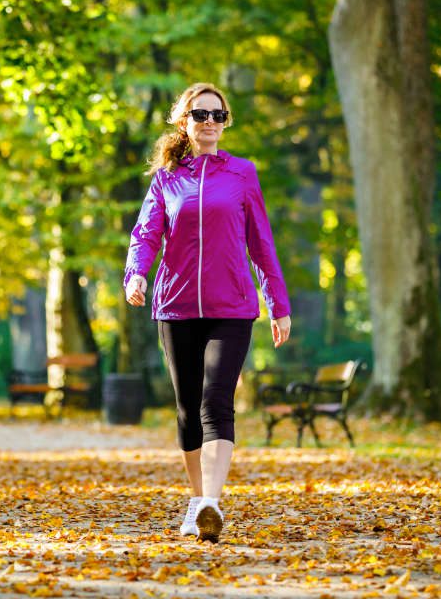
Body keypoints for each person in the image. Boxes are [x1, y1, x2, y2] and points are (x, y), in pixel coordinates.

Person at [124, 82, 292, 543]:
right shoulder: (166, 178)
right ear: (185, 122)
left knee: (217, 403)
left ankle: (212, 504)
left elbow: (261, 242)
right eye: (201, 115)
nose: (211, 123)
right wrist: (136, 275)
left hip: (232, 306)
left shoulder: (242, 173)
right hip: (175, 307)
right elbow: (145, 234)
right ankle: (197, 500)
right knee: (187, 411)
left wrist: (277, 302)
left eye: (219, 115)